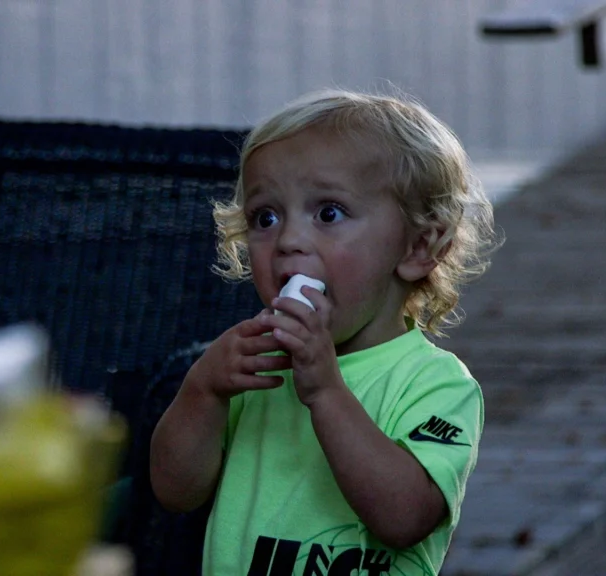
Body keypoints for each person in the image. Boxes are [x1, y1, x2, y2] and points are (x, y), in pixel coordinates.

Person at [149, 88, 498, 575]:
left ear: (418, 247)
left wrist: (326, 391)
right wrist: (201, 392)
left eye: (328, 213)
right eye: (265, 218)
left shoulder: (435, 384)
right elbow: (174, 492)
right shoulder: (251, 368)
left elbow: (404, 517)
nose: (288, 240)